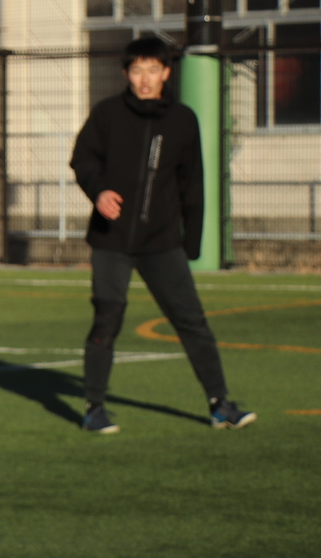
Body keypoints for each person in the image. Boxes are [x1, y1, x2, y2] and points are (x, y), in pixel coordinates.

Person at [69, 35, 255, 434]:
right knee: (107, 318)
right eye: (137, 70)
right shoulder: (107, 114)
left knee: (192, 321)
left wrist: (192, 243)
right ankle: (94, 408)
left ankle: (220, 404)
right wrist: (98, 191)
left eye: (153, 70)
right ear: (126, 73)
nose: (144, 79)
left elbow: (193, 184)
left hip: (162, 243)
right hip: (111, 241)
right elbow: (82, 159)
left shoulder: (182, 120)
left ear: (166, 73)